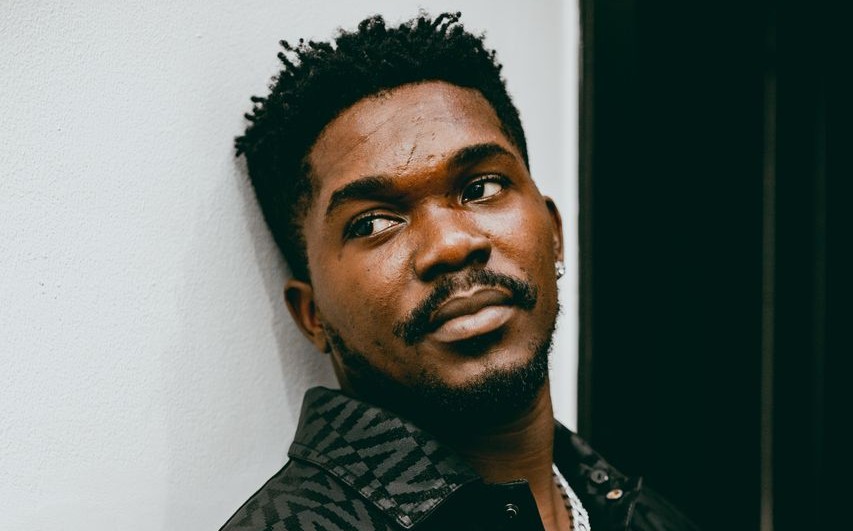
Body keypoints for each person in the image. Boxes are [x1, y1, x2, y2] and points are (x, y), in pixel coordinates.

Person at [222, 12, 698, 531]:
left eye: (481, 188)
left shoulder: (650, 516)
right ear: (312, 315)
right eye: (374, 222)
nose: (450, 245)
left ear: (555, 234)